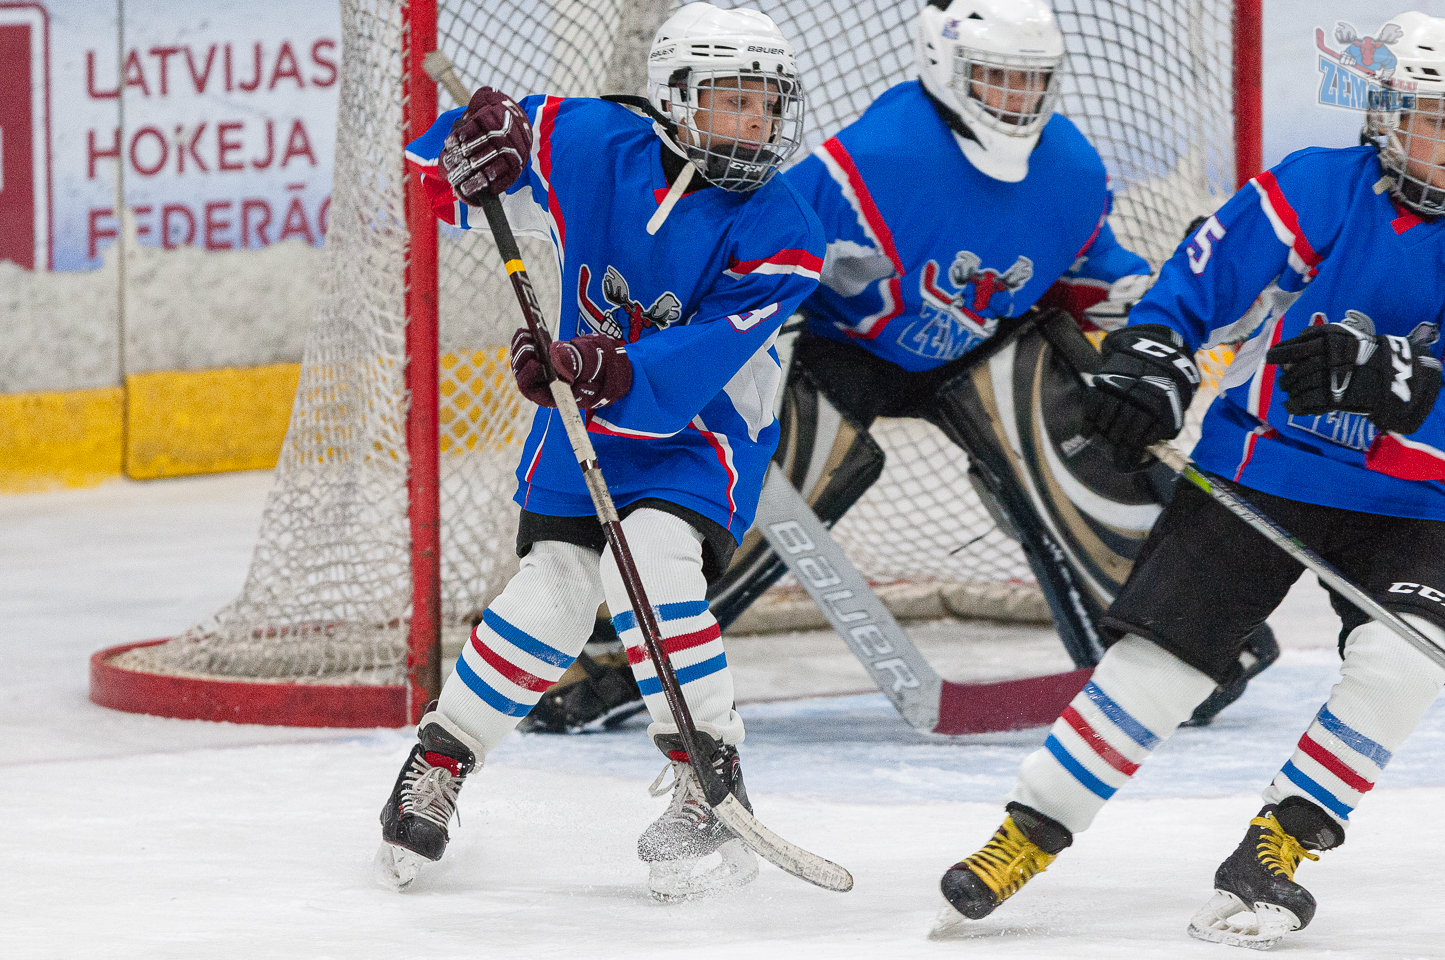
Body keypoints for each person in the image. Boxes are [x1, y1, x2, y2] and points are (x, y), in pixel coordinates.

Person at [526, 0, 1276, 735]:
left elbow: (1089, 273)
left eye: (1029, 80)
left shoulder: (1072, 170)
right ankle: (617, 655)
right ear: (943, 65)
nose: (1015, 100)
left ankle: (1174, 633)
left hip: (977, 349)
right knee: (770, 459)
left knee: (1079, 411)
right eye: (995, 77)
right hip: (835, 346)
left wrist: (1143, 341)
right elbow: (754, 262)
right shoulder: (873, 158)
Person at [936, 11, 1445, 949]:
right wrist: (1151, 363)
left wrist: (1406, 388)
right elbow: (1197, 292)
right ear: (1386, 114)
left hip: (1420, 503)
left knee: (1402, 661)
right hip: (1265, 467)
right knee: (1157, 668)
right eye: (1435, 119)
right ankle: (1023, 836)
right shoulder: (1316, 189)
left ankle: (1277, 849)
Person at [375, 1, 824, 903]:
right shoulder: (590, 141)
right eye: (730, 101)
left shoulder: (785, 226)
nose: (754, 124)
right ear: (673, 97)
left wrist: (593, 363)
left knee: (653, 562)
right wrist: (470, 157)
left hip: (702, 434)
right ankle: (441, 757)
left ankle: (707, 774)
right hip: (579, 417)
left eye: (766, 104)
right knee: (554, 592)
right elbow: (437, 159)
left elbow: (699, 360)